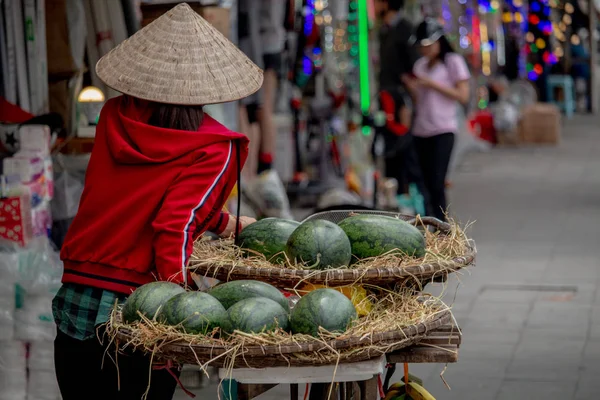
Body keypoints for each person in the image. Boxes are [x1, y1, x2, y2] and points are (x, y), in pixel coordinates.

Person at [52, 4, 261, 399]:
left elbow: (137, 192)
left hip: (78, 296)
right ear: (207, 83)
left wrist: (224, 223)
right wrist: (182, 303)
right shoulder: (214, 147)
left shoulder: (113, 116)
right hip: (142, 308)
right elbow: (174, 226)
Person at [402, 18, 470, 221]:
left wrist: (432, 84)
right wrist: (412, 86)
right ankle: (429, 222)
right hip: (421, 129)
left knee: (437, 181)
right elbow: (418, 99)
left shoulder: (453, 62)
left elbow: (463, 95)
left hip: (443, 129)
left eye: (428, 45)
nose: (425, 50)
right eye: (421, 46)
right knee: (422, 182)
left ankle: (443, 226)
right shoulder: (419, 66)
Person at [374, 0, 427, 209]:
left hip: (400, 106)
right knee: (391, 158)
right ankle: (394, 203)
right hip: (387, 104)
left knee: (405, 158)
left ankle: (413, 209)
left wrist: (410, 104)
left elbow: (414, 71)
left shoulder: (405, 29)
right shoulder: (386, 30)